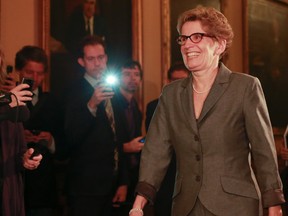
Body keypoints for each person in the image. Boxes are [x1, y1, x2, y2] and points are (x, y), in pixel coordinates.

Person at [130, 6, 285, 216]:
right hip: (186, 207)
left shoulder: (245, 87)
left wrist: (273, 204)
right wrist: (139, 202)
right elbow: (155, 151)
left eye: (196, 37)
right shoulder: (171, 94)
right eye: (183, 38)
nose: (187, 45)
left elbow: (263, 150)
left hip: (236, 206)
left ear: (220, 44)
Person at [64, 35, 128, 216]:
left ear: (106, 58)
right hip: (85, 188)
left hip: (112, 184)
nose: (98, 63)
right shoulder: (73, 91)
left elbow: (119, 139)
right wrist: (91, 105)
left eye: (100, 58)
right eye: (91, 59)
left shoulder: (114, 91)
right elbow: (71, 136)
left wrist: (123, 182)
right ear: (81, 61)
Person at [13, 46, 57, 216]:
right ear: (19, 70)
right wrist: (19, 136)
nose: (35, 78)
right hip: (14, 179)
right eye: (30, 72)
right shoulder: (8, 99)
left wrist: (50, 140)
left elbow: (66, 142)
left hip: (43, 186)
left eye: (40, 73)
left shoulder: (53, 102)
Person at [0, 49, 43, 216]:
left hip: (8, 192)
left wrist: (25, 158)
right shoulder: (7, 102)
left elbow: (15, 151)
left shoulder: (10, 102)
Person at [145, 62, 189, 216]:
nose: (177, 84)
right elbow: (156, 143)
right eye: (174, 80)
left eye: (182, 80)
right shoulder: (154, 106)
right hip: (166, 175)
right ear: (168, 81)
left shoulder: (200, 105)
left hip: (191, 175)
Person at [111, 60, 144, 214]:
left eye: (136, 75)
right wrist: (126, 147)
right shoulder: (111, 103)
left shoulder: (135, 107)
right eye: (127, 74)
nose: (132, 78)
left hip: (133, 173)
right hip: (114, 174)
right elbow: (103, 142)